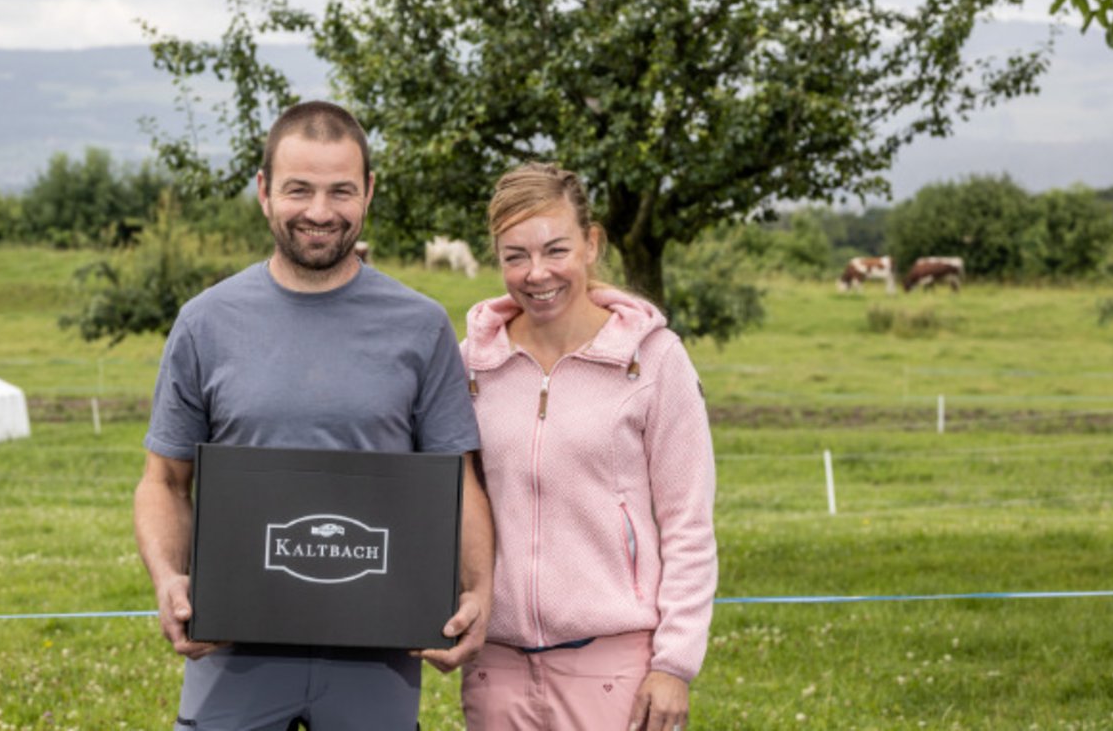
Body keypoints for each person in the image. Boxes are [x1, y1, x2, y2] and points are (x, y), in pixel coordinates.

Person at [134, 100, 494, 730]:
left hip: (376, 655)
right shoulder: (205, 322)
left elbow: (457, 476)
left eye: (341, 191)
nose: (321, 212)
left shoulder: (421, 326)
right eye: (299, 189)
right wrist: (169, 578)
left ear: (370, 192)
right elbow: (163, 480)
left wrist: (480, 593)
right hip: (233, 649)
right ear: (264, 191)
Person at [459, 163, 717, 731]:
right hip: (495, 670)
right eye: (514, 256)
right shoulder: (470, 366)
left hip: (615, 670)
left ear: (591, 243)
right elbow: (450, 502)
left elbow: (688, 524)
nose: (536, 274)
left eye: (556, 250)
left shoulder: (655, 360)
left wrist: (674, 664)